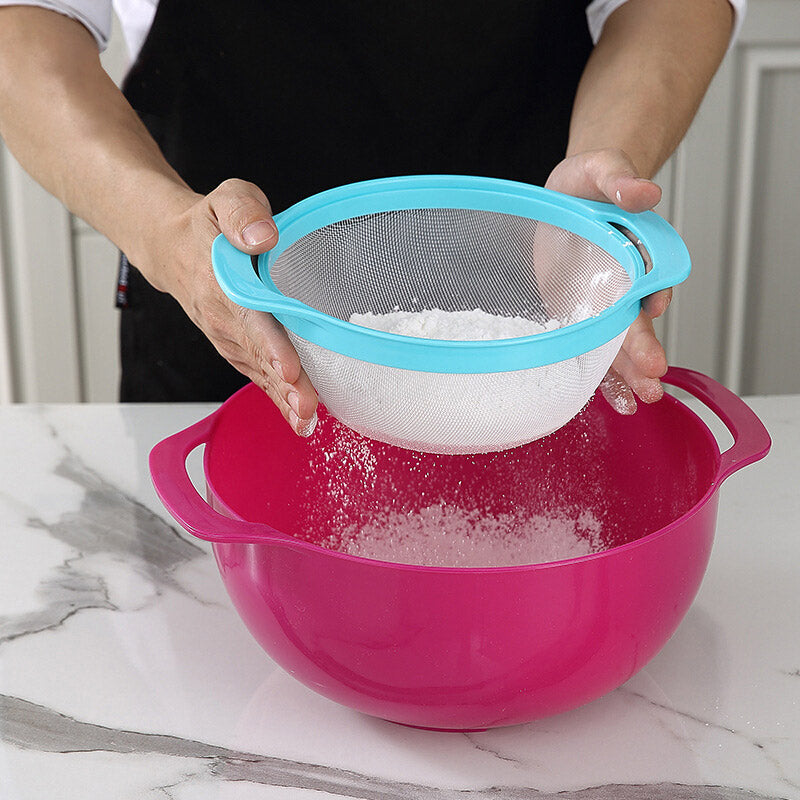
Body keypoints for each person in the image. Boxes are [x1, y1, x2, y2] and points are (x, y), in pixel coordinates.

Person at [0, 0, 740, 437]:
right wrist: (168, 235)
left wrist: (600, 176)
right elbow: (26, 29)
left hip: (530, 295)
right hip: (225, 283)